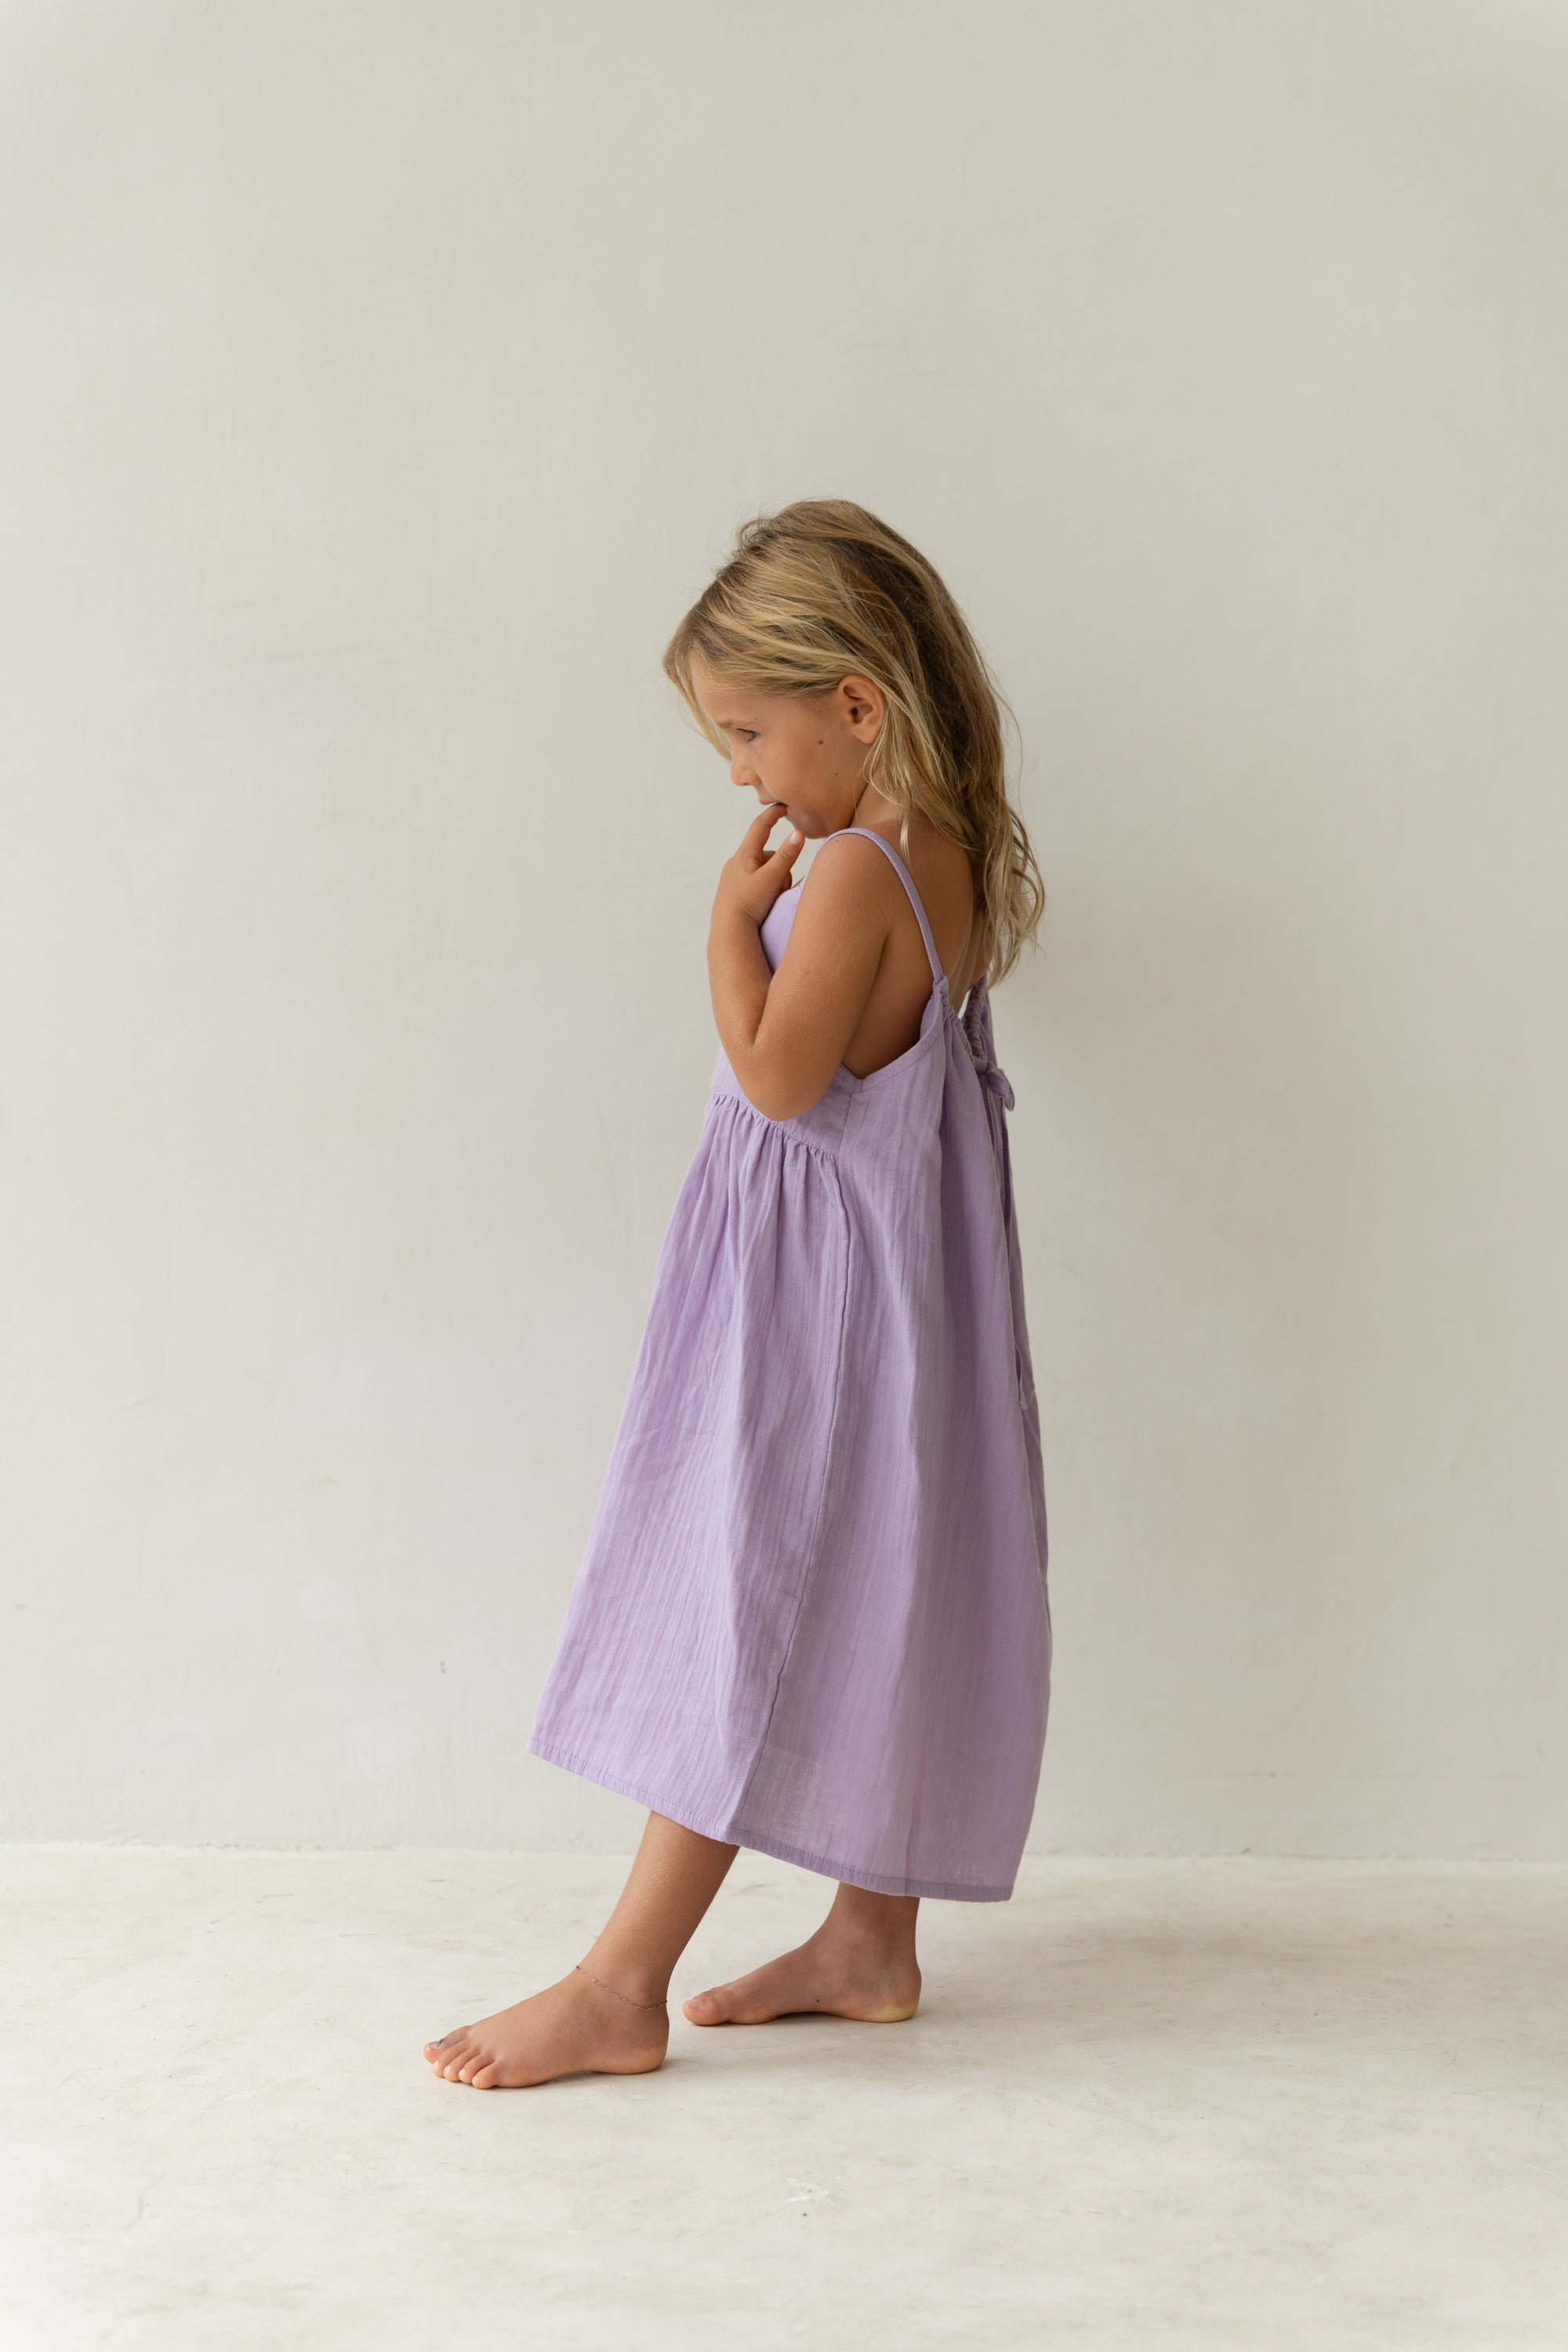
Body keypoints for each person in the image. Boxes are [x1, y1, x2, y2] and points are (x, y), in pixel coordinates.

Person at [425, 499, 1051, 2090]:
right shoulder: (945, 851)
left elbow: (779, 1083)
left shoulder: (851, 870)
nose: (738, 775)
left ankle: (620, 1983)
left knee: (743, 1599)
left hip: (806, 1309)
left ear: (856, 703)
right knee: (874, 1592)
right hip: (892, 1289)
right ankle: (870, 1937)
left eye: (747, 731)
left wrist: (723, 928)